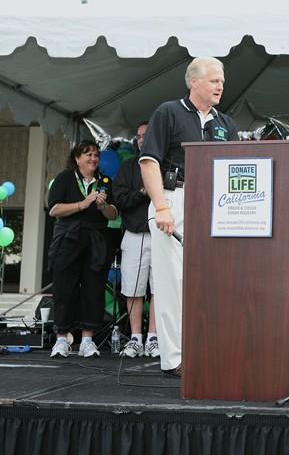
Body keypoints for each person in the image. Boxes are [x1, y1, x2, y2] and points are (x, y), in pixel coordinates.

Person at [139, 57, 238, 377]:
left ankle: (205, 351)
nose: (220, 86)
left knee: (210, 281)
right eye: (214, 80)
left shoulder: (226, 123)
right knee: (173, 282)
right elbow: (149, 161)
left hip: (214, 204)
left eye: (222, 81)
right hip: (174, 198)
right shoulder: (168, 112)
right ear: (194, 82)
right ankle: (175, 359)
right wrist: (161, 207)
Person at [48, 140, 118, 358]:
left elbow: (113, 214)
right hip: (68, 238)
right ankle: (61, 339)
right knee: (64, 288)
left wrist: (103, 206)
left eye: (96, 155)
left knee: (93, 289)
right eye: (88, 154)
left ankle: (87, 340)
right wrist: (83, 204)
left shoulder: (104, 181)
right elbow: (54, 209)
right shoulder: (65, 178)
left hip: (96, 239)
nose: (93, 159)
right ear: (77, 158)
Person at [113, 122, 160, 358]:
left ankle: (153, 338)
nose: (142, 138)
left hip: (162, 234)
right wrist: (142, 192)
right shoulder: (128, 167)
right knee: (133, 287)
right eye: (139, 135)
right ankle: (135, 338)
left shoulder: (165, 163)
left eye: (146, 134)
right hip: (134, 234)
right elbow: (119, 199)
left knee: (160, 288)